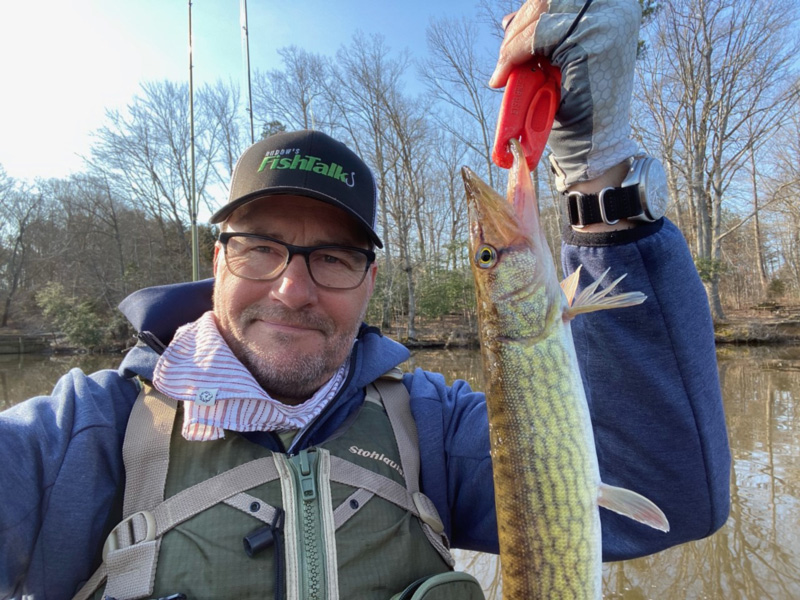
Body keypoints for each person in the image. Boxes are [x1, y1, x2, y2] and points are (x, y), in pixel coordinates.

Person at [0, 1, 730, 598]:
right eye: (261, 246)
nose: (293, 288)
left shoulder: (435, 430)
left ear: (371, 281)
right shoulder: (75, 439)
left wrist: (601, 176)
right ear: (217, 259)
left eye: (336, 257)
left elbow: (670, 497)